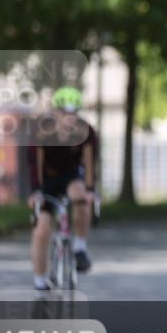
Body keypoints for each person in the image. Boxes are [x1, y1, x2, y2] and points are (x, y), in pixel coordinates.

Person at [27, 86, 98, 290]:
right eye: (65, 113)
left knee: (80, 194)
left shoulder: (86, 131)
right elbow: (34, 163)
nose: (70, 118)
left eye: (74, 113)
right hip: (46, 180)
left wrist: (91, 190)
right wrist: (35, 191)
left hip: (71, 176)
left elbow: (90, 163)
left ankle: (80, 247)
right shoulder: (42, 131)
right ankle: (40, 280)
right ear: (55, 113)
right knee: (41, 229)